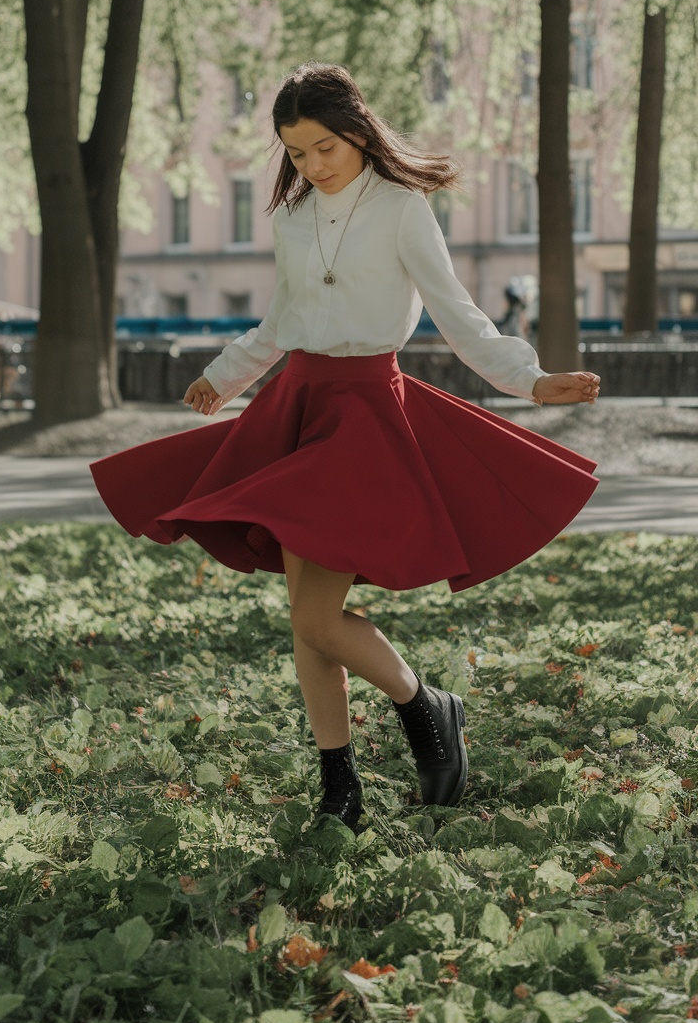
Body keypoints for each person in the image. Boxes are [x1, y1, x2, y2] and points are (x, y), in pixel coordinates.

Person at [90, 61, 600, 835]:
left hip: (364, 415)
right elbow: (279, 320)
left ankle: (425, 706)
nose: (313, 165)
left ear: (358, 132)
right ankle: (341, 788)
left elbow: (458, 316)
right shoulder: (292, 218)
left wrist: (529, 381)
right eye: (297, 153)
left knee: (319, 619)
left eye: (325, 146)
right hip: (295, 405)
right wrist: (224, 378)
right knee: (307, 617)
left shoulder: (400, 207)